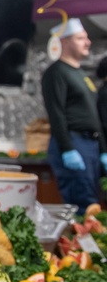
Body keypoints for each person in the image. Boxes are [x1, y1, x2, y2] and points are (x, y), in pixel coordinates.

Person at [40, 18, 107, 210]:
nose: (88, 42)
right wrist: (67, 148)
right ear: (65, 42)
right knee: (82, 203)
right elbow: (56, 113)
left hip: (90, 144)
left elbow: (94, 116)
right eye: (80, 38)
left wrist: (102, 150)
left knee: (94, 201)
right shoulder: (56, 73)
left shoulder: (80, 74)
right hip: (73, 142)